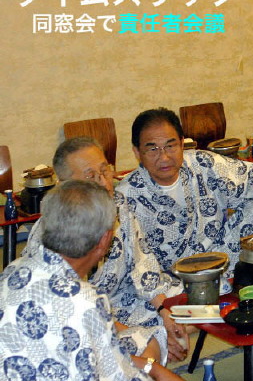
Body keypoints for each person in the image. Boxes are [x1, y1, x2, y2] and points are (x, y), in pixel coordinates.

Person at [0, 180, 188, 381]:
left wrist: (152, 368)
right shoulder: (85, 301)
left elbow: (108, 359)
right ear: (105, 240)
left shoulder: (14, 269)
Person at [21, 137, 188, 362]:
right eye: (91, 176)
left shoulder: (119, 204)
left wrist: (164, 312)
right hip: (73, 319)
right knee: (147, 347)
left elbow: (143, 266)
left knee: (186, 310)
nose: (104, 182)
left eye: (105, 170)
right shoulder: (52, 231)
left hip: (119, 301)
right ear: (65, 185)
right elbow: (71, 308)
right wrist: (147, 338)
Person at [116, 108, 253, 279]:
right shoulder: (126, 195)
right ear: (137, 152)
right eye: (153, 149)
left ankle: (249, 278)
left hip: (221, 255)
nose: (164, 157)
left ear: (182, 144)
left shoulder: (202, 163)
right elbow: (127, 260)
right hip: (171, 275)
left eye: (170, 146)